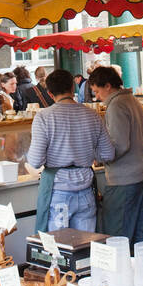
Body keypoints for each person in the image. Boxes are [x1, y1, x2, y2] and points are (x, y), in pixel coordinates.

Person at [25, 68, 114, 232]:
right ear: (73, 88)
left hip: (58, 193)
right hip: (87, 192)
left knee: (60, 250)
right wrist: (87, 152)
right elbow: (108, 154)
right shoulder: (92, 115)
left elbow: (35, 161)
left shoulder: (43, 117)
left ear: (50, 93)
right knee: (85, 247)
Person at [89, 66, 143, 243]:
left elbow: (119, 145)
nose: (97, 96)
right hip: (138, 174)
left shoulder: (116, 106)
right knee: (139, 229)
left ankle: (120, 270)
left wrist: (98, 156)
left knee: (117, 234)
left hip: (123, 179)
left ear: (108, 86)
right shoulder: (132, 100)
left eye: (97, 91)